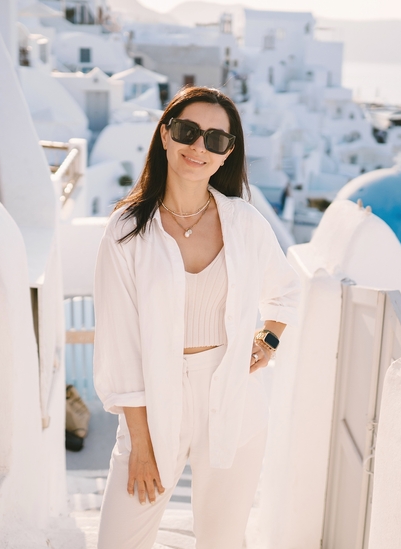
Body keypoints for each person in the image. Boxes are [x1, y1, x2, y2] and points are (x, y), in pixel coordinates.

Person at [93, 87, 300, 548]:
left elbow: (286, 291)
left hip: (233, 395)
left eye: (216, 139)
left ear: (227, 155)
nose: (198, 147)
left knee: (222, 540)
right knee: (119, 540)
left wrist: (268, 341)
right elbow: (120, 347)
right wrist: (141, 447)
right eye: (188, 131)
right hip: (152, 395)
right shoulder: (127, 231)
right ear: (165, 136)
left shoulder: (244, 222)